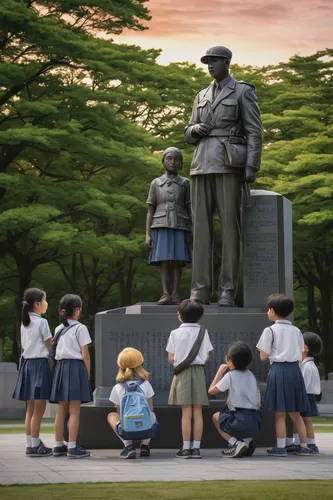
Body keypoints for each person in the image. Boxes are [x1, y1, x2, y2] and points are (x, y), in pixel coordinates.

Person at [185, 46, 263, 306]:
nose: (210, 65)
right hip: (200, 164)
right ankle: (200, 290)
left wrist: (252, 165)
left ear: (227, 62)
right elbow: (187, 133)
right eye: (207, 61)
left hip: (229, 164)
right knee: (200, 230)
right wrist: (195, 128)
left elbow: (254, 130)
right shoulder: (201, 94)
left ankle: (227, 290)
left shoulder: (242, 91)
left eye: (214, 61)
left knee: (230, 229)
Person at [256, 294, 311, 456]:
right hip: (295, 371)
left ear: (272, 311)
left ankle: (280, 447)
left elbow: (263, 356)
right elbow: (301, 353)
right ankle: (304, 446)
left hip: (278, 370)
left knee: (280, 413)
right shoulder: (296, 330)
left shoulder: (270, 330)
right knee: (295, 413)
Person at [166, 299, 213, 458]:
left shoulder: (175, 333)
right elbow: (206, 356)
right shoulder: (203, 332)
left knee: (186, 412)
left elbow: (171, 359)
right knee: (197, 411)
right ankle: (196, 448)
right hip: (199, 372)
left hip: (182, 373)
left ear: (180, 316)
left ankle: (185, 448)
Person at [146, 147, 192, 305]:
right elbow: (150, 209)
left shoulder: (185, 183)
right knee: (164, 260)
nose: (173, 162)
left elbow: (189, 207)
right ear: (163, 161)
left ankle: (175, 293)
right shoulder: (156, 183)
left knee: (178, 260)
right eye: (169, 158)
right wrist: (147, 234)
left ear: (181, 163)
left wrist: (194, 229)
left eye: (176, 159)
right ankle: (165, 293)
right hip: (160, 224)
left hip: (180, 224)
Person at [50, 294, 92, 459]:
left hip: (61, 369)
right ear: (76, 310)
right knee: (74, 411)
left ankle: (59, 445)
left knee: (61, 410)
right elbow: (85, 355)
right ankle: (73, 447)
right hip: (76, 368)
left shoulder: (58, 329)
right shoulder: (80, 328)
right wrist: (87, 373)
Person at [12, 288, 53, 457]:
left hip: (27, 365)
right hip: (39, 365)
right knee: (39, 409)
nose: (46, 303)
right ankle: (36, 445)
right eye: (44, 300)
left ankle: (30, 444)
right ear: (37, 304)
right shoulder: (42, 323)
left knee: (30, 409)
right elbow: (50, 346)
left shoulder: (25, 322)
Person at [208, 341, 262, 458]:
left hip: (239, 422)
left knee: (217, 417)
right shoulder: (251, 375)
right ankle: (247, 442)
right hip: (255, 421)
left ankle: (236, 444)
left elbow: (211, 391)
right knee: (234, 415)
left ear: (230, 362)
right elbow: (259, 402)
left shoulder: (230, 376)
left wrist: (220, 372)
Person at [107, 347, 158, 459]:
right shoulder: (146, 384)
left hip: (127, 429)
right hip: (146, 428)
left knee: (112, 416)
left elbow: (120, 412)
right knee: (152, 414)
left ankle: (128, 446)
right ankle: (145, 445)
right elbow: (150, 408)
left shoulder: (117, 387)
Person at [287, 332, 323, 454]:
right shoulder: (306, 365)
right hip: (307, 396)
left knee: (305, 420)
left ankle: (311, 444)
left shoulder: (308, 366)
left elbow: (304, 385)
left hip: (306, 396)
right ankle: (300, 442)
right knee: (303, 420)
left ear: (305, 348)